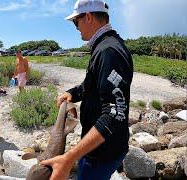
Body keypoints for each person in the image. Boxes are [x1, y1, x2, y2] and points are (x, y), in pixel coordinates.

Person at [40, 0, 133, 180]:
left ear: (89, 17)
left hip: (101, 153)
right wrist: (72, 93)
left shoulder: (108, 51)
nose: (76, 27)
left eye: (76, 21)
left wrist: (69, 158)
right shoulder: (104, 46)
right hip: (102, 148)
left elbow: (114, 114)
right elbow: (90, 85)